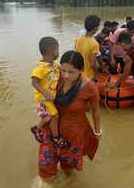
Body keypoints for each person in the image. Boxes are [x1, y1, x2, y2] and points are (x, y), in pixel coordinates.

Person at [37, 50, 101, 182]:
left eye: (71, 72)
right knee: (45, 164)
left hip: (73, 133)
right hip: (52, 128)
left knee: (67, 168)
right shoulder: (55, 78)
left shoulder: (90, 88)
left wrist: (97, 130)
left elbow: (95, 111)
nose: (65, 75)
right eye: (63, 70)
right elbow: (39, 86)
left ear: (81, 70)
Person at [30, 37, 60, 143]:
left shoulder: (55, 65)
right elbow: (34, 82)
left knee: (47, 117)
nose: (58, 52)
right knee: (55, 115)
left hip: (51, 95)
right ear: (53, 50)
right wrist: (45, 93)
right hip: (43, 98)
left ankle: (38, 128)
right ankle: (56, 138)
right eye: (58, 49)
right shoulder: (41, 68)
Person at [75, 15, 101, 80]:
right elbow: (92, 64)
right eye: (98, 26)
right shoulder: (95, 44)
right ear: (95, 29)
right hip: (88, 76)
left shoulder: (78, 39)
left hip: (79, 73)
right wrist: (96, 73)